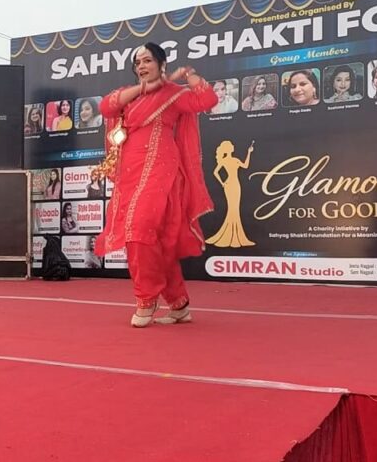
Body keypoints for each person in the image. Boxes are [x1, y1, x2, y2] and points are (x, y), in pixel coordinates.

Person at [93, 42, 217, 327]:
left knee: (138, 231)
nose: (142, 66)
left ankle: (146, 300)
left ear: (162, 64)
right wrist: (144, 88)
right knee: (156, 241)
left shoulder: (173, 94)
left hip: (160, 170)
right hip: (130, 173)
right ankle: (179, 304)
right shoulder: (130, 95)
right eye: (138, 63)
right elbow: (106, 106)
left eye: (148, 60)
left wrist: (191, 77)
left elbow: (206, 100)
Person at [207, 140, 255, 248]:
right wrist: (222, 183)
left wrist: (249, 152)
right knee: (232, 208)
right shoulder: (228, 160)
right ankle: (231, 235)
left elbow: (245, 166)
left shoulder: (233, 160)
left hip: (234, 185)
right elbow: (215, 172)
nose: (233, 146)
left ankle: (236, 235)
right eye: (231, 146)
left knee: (235, 209)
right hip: (231, 185)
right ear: (229, 149)